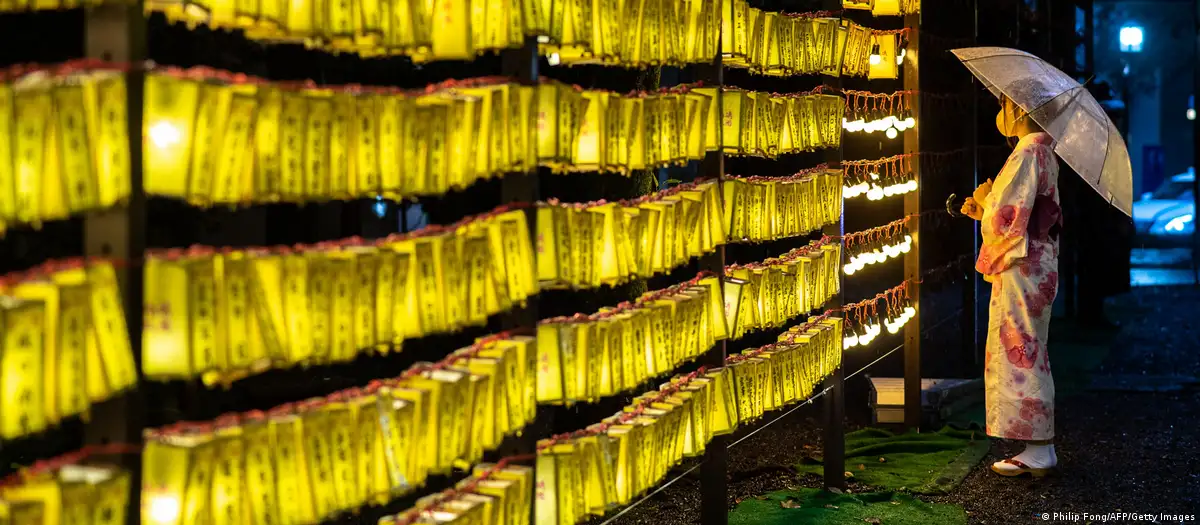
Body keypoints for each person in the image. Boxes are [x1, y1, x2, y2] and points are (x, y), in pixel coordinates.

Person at [961, 93, 1062, 478]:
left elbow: (1006, 219)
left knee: (1023, 348)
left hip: (1023, 266)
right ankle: (1038, 446)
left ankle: (1040, 448)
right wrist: (985, 210)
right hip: (1036, 263)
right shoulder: (1044, 151)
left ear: (1019, 108)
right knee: (1029, 345)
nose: (1001, 112)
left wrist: (987, 202)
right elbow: (1019, 214)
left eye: (1004, 104)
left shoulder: (1028, 152)